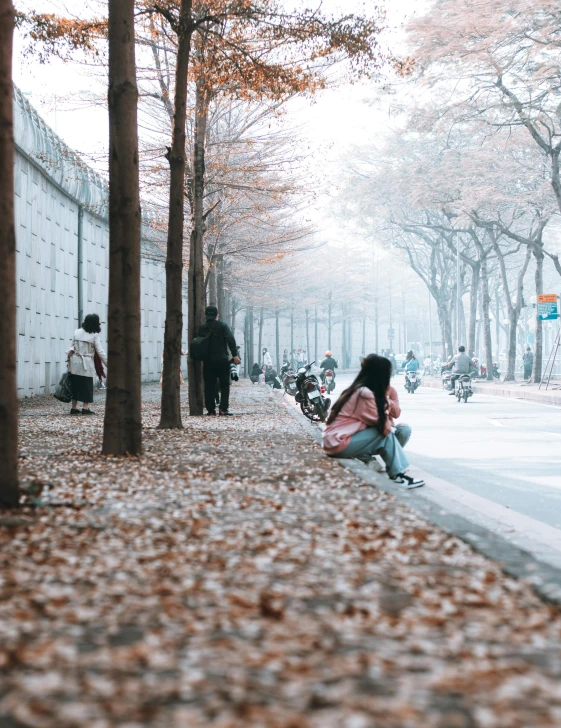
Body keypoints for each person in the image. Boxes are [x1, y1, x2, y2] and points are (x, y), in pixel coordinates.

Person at [323, 355, 424, 488]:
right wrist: (384, 398)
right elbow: (383, 425)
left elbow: (395, 414)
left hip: (335, 441)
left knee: (391, 431)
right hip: (338, 442)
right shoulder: (364, 394)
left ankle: (397, 472)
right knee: (385, 434)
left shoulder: (359, 389)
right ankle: (398, 475)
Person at [199, 305, 240, 415]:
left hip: (207, 361)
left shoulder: (202, 328)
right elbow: (230, 339)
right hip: (222, 360)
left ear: (206, 315)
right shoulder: (222, 326)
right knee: (224, 385)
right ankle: (223, 409)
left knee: (209, 386)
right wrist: (235, 354)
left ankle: (211, 410)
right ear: (217, 315)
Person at [67, 313, 108, 415]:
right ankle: (85, 407)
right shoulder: (94, 336)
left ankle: (74, 407)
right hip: (87, 363)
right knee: (87, 386)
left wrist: (68, 363)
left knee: (75, 385)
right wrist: (108, 364)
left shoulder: (77, 332)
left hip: (75, 362)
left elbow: (71, 347)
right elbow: (100, 352)